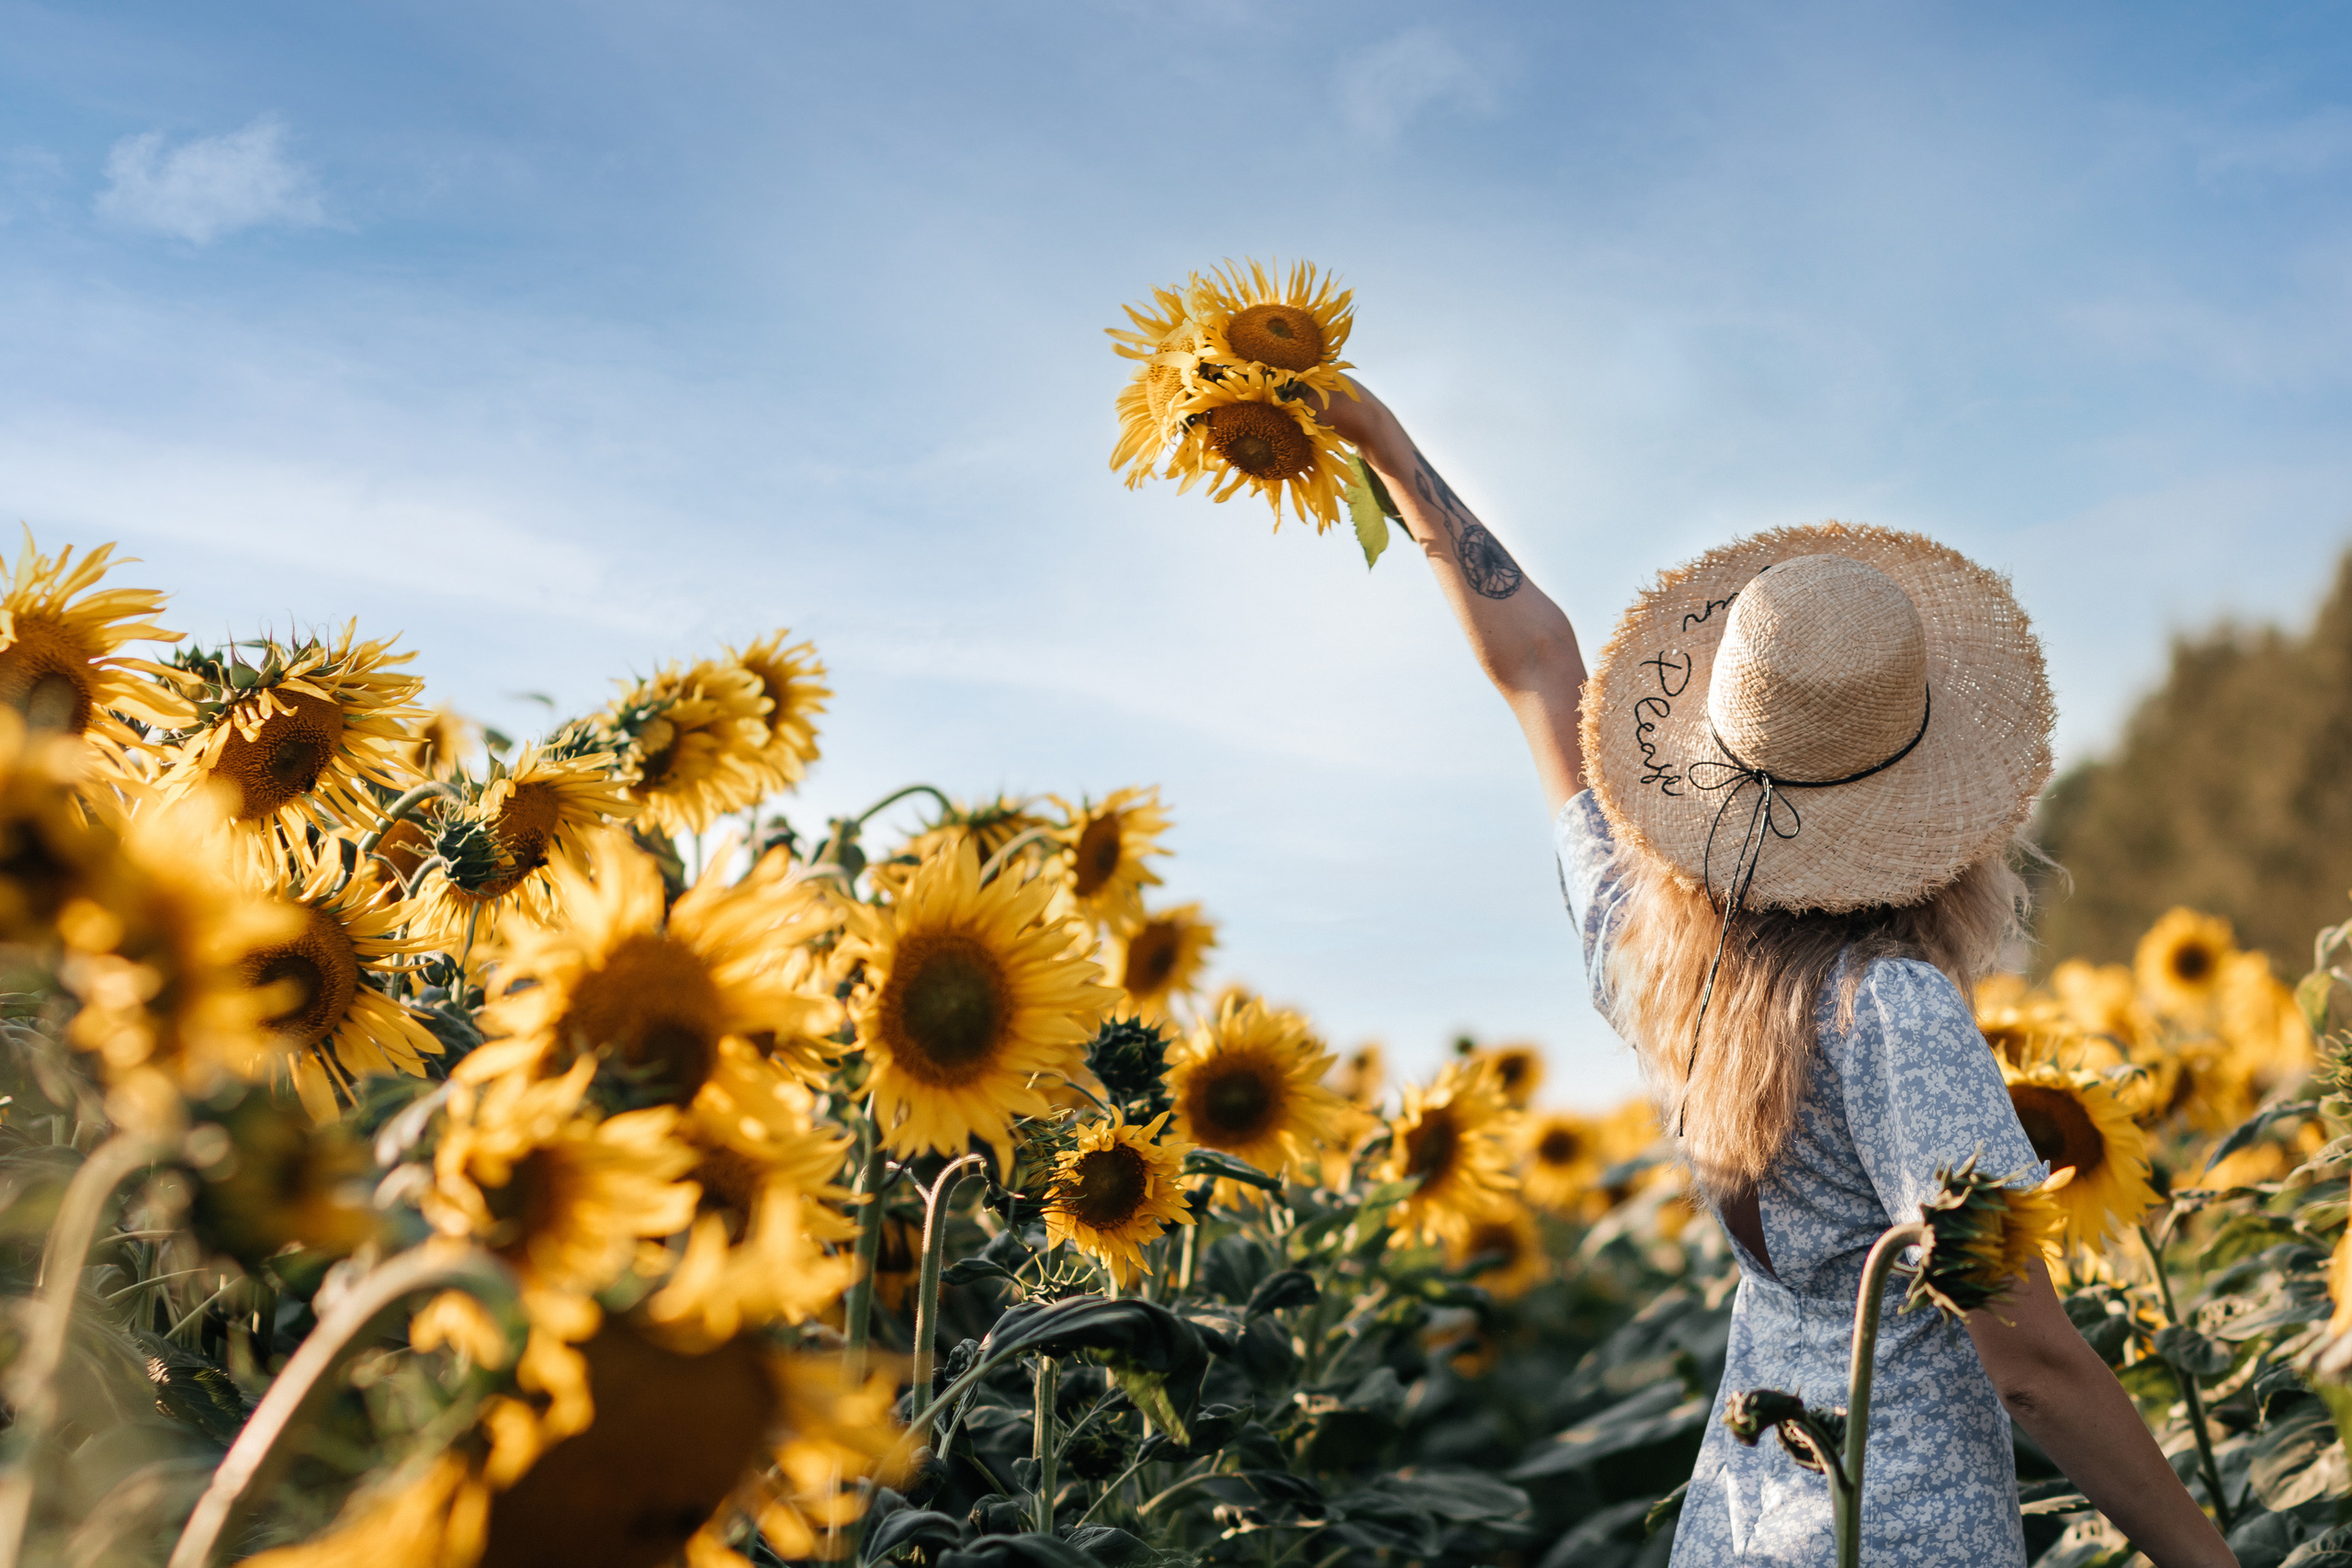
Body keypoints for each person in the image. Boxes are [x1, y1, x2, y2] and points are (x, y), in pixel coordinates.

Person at [1318, 380, 2236, 1568]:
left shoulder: (1655, 962)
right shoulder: (1891, 1010)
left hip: (1743, 1527)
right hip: (1898, 1539)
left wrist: (1387, 446)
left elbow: (1541, 670)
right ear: (1937, 816)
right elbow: (2033, 1369)